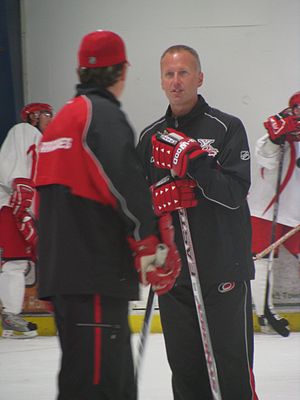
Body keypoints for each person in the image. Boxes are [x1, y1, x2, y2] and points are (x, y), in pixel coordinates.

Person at [34, 30, 181, 400]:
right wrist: (151, 245)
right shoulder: (99, 116)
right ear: (122, 71)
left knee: (86, 382)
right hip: (94, 278)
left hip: (67, 280)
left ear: (81, 70)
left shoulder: (62, 121)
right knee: (101, 388)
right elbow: (125, 185)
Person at [137, 45, 259, 400]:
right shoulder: (149, 138)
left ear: (200, 78)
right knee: (186, 371)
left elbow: (235, 193)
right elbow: (138, 207)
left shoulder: (226, 128)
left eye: (184, 73)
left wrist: (196, 165)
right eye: (169, 74)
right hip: (175, 277)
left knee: (230, 369)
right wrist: (155, 203)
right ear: (161, 81)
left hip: (223, 269)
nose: (176, 82)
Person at [248, 92, 300, 336]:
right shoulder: (275, 137)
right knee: (262, 263)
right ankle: (264, 312)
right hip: (266, 211)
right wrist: (274, 139)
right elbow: (264, 158)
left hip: (296, 215)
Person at [0, 102, 53, 338]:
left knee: (17, 263)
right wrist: (20, 191)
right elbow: (13, 166)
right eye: (46, 115)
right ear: (33, 117)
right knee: (15, 262)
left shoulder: (41, 139)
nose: (51, 119)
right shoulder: (24, 131)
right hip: (11, 206)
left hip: (19, 206)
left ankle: (10, 315)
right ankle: (10, 315)